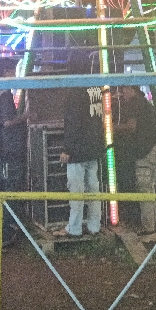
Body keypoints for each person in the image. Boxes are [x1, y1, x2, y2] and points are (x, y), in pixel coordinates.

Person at [54, 50, 105, 238]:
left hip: (77, 151)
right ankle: (94, 226)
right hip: (94, 148)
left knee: (76, 192)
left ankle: (74, 228)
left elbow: (74, 122)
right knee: (94, 190)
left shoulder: (75, 91)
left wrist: (67, 149)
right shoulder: (95, 88)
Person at [0, 58, 28, 248]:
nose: (15, 75)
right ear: (7, 72)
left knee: (1, 190)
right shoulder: (5, 94)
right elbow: (8, 121)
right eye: (14, 71)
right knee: (10, 192)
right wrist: (25, 116)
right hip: (5, 150)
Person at [115, 86, 156, 234]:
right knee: (151, 188)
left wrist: (111, 127)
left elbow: (131, 127)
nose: (122, 94)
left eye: (124, 90)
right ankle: (151, 224)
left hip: (145, 152)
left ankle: (148, 227)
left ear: (132, 90)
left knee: (144, 190)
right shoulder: (146, 103)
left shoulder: (134, 104)